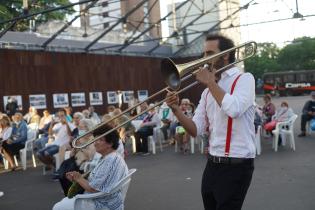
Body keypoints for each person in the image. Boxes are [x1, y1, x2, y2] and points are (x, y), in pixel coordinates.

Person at [166, 34, 255, 210]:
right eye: (204, 53)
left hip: (237, 165)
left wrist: (210, 83)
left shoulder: (245, 79)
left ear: (225, 55)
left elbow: (234, 109)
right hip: (212, 164)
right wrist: (176, 109)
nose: (204, 58)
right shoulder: (207, 93)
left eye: (209, 53)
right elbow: (195, 130)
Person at [52, 124, 128, 210]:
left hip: (102, 204)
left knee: (58, 207)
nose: (95, 142)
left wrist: (79, 178)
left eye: (100, 139)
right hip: (106, 201)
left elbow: (93, 188)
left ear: (110, 143)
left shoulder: (110, 161)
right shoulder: (111, 158)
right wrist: (78, 178)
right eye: (95, 139)